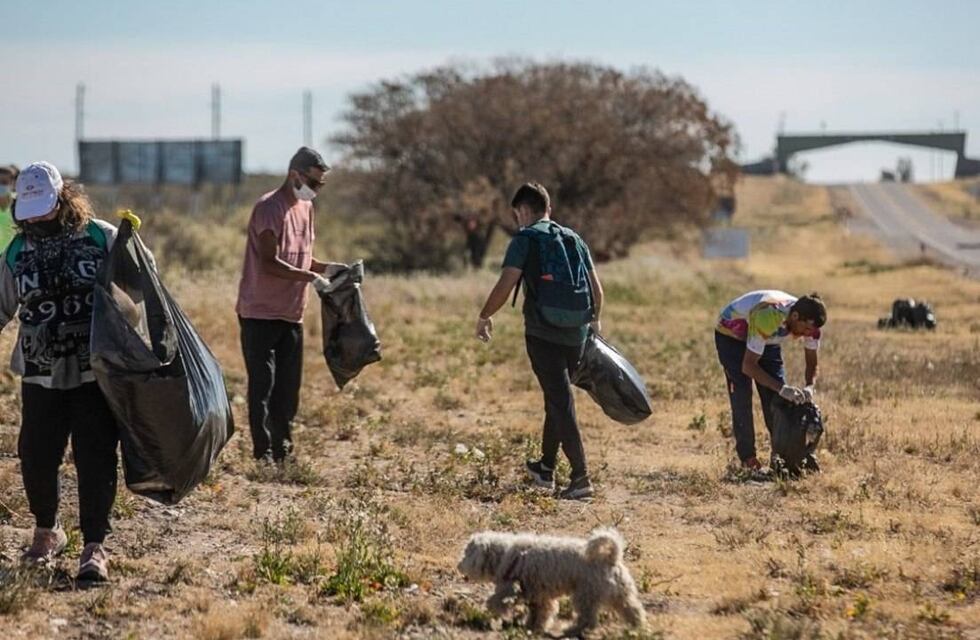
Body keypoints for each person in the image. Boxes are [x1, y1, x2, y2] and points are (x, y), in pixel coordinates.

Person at [0, 162, 121, 581]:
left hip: (94, 371)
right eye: (28, 210)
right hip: (40, 370)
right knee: (36, 455)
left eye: (43, 208)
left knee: (95, 454)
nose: (35, 219)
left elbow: (140, 293)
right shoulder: (16, 253)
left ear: (62, 199)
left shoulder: (101, 237)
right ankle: (46, 533)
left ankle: (94, 546)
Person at [475, 182, 604, 500]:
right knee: (556, 398)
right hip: (576, 332)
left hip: (542, 332)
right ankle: (545, 468)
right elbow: (597, 291)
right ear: (549, 208)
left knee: (561, 402)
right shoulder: (573, 238)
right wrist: (594, 324)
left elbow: (507, 283)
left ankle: (580, 478)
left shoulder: (525, 238)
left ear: (521, 211)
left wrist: (484, 315)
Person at [236, 147, 341, 464]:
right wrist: (310, 277)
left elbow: (301, 256)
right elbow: (270, 263)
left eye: (321, 184)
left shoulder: (305, 209)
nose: (317, 189)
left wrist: (327, 269)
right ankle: (263, 452)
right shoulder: (269, 208)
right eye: (314, 182)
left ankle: (283, 450)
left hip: (292, 314)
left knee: (288, 389)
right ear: (295, 175)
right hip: (260, 313)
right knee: (263, 387)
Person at [714, 290, 827, 471]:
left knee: (777, 400)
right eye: (805, 329)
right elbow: (748, 366)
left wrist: (810, 386)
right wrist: (782, 388)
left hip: (767, 340)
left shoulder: (811, 327)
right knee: (742, 394)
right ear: (795, 316)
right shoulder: (768, 316)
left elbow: (812, 363)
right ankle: (748, 459)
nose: (807, 334)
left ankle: (783, 457)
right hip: (732, 336)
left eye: (811, 331)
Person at [0, 165, 19, 251]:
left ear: (12, 184)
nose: (1, 186)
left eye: (4, 182)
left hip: (12, 257)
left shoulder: (19, 204)